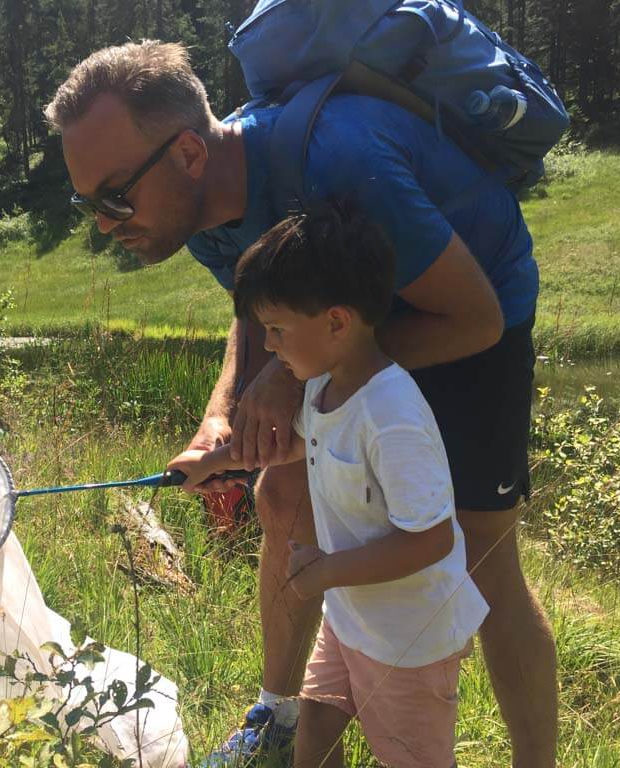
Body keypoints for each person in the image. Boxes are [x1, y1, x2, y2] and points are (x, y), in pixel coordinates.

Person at [45, 40, 557, 767]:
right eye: (87, 203)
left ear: (190, 153)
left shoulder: (339, 160)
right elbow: (253, 311)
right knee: (281, 491)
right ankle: (281, 720)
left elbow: (471, 317)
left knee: (481, 558)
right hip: (339, 329)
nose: (104, 222)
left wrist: (296, 379)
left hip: (470, 317)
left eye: (114, 196)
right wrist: (221, 417)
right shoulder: (194, 209)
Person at [169, 201, 489, 768]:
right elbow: (299, 445)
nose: (267, 346)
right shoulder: (323, 385)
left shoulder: (392, 417)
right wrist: (214, 464)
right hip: (350, 618)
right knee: (314, 730)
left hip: (407, 639)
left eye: (276, 329)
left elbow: (433, 540)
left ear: (337, 322)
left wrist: (328, 571)